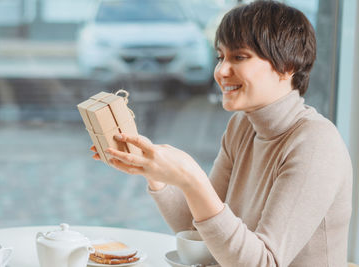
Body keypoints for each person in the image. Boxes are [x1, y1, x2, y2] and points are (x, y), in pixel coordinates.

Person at [91, 1, 353, 266]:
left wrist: (193, 180)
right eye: (220, 57)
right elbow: (201, 233)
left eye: (238, 57)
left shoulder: (316, 143)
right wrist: (154, 173)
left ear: (286, 66)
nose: (221, 71)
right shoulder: (242, 125)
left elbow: (265, 262)